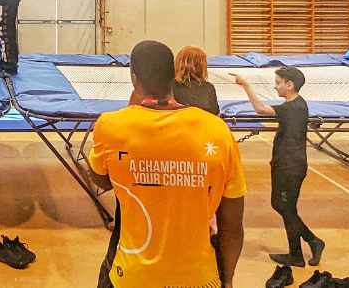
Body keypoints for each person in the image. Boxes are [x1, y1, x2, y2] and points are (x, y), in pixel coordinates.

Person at [89, 40, 246, 288]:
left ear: (134, 79)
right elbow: (232, 225)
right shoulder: (218, 131)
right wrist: (226, 281)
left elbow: (100, 180)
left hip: (130, 276)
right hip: (200, 278)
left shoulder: (111, 126)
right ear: (172, 76)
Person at [232, 66, 325, 267]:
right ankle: (296, 254)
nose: (275, 87)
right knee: (285, 206)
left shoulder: (290, 108)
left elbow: (260, 109)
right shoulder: (299, 105)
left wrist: (246, 85)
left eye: (278, 83)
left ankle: (313, 241)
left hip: (288, 166)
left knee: (283, 206)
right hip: (291, 164)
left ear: (289, 85)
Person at [173, 45, 219, 116]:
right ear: (202, 65)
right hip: (202, 124)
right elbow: (215, 113)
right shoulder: (208, 87)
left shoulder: (169, 86)